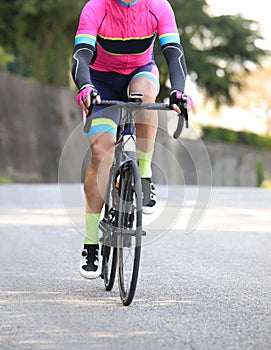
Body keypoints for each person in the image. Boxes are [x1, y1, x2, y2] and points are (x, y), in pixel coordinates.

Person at [72, 0, 191, 279]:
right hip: (100, 82)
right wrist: (86, 86)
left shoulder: (158, 6)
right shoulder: (96, 7)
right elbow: (81, 55)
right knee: (102, 154)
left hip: (140, 74)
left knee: (147, 92)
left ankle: (145, 174)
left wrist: (179, 91)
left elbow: (174, 53)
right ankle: (91, 243)